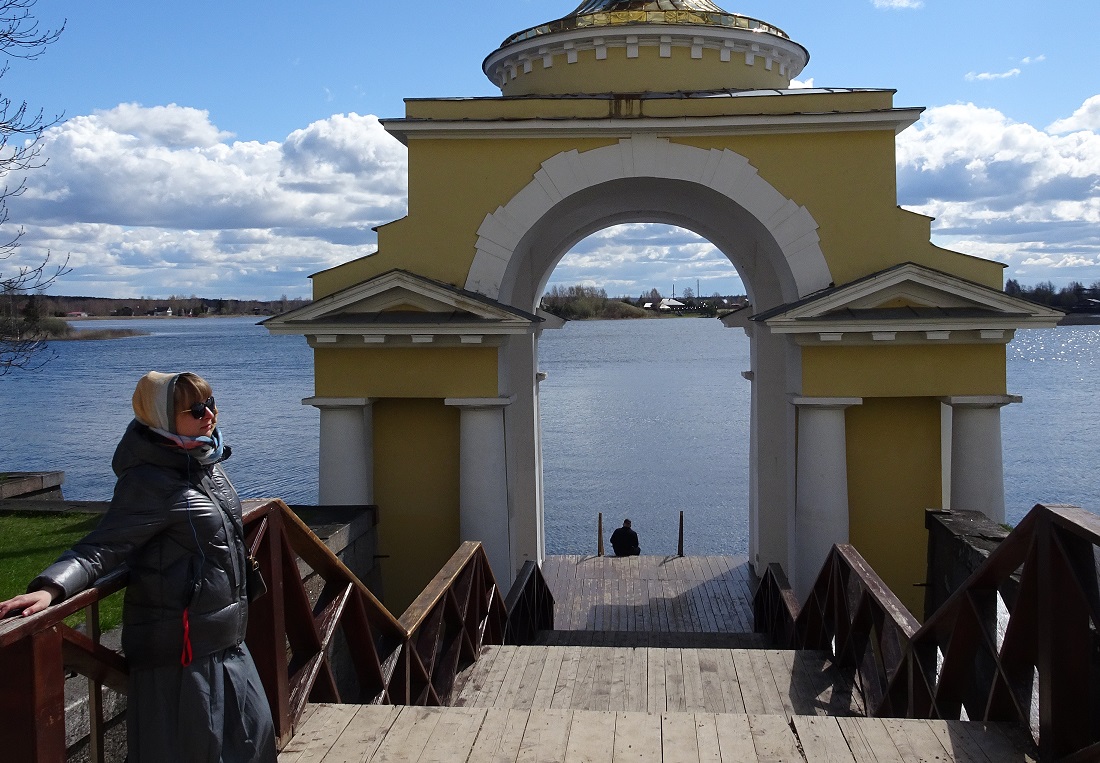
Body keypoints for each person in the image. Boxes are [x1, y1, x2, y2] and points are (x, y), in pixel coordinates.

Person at [0, 371, 277, 763]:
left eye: (210, 403)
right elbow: (101, 547)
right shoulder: (150, 480)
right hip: (183, 656)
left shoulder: (201, 460)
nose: (208, 414)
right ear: (160, 416)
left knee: (252, 741)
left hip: (225, 642)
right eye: (195, 409)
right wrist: (51, 587)